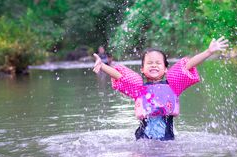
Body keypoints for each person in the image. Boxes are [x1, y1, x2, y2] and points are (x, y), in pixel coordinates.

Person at [92, 37, 228, 141]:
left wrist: (208, 52)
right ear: (142, 69)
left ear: (165, 69)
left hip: (167, 139)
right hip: (143, 141)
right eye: (149, 63)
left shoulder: (173, 85)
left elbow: (189, 65)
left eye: (158, 63)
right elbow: (119, 76)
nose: (154, 65)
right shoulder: (138, 88)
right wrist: (103, 66)